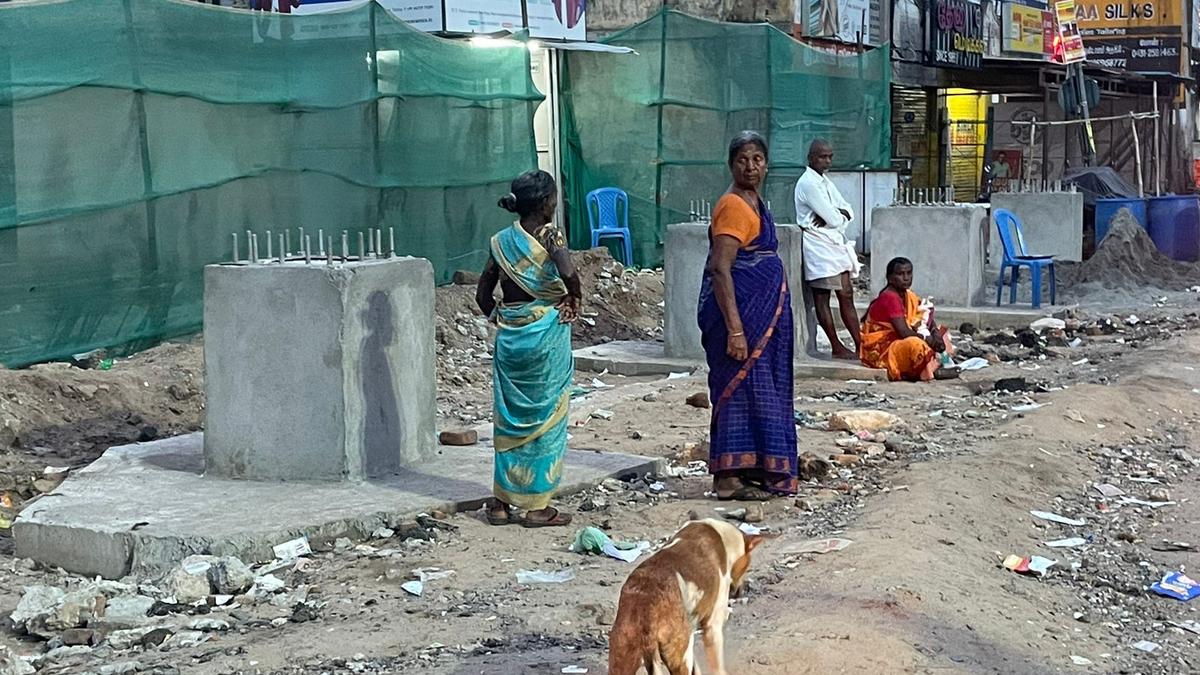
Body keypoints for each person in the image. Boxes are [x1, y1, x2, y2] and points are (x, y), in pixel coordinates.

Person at [475, 170, 582, 527]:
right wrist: (574, 299)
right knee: (546, 419)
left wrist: (501, 319)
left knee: (509, 421)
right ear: (548, 202)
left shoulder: (501, 242)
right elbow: (568, 272)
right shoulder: (550, 235)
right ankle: (537, 506)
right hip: (545, 337)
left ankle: (500, 504)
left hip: (510, 340)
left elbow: (483, 294)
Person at [698, 132, 798, 501]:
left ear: (767, 163)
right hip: (740, 321)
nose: (751, 167)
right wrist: (736, 331)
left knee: (763, 392)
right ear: (731, 164)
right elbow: (721, 269)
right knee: (739, 391)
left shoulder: (754, 201)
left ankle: (754, 468)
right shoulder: (734, 206)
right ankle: (728, 478)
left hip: (764, 320)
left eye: (757, 159)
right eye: (743, 160)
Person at [794, 139, 862, 360]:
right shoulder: (808, 184)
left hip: (834, 244)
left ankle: (861, 343)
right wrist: (838, 215)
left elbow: (848, 211)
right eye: (823, 157)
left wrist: (839, 215)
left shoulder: (825, 182)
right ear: (811, 158)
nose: (827, 161)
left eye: (830, 156)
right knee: (822, 298)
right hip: (818, 246)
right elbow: (834, 218)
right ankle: (836, 345)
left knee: (846, 294)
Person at [859, 257, 956, 382]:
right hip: (883, 350)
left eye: (909, 273)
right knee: (915, 345)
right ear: (890, 278)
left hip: (904, 339)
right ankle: (931, 369)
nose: (906, 278)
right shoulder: (890, 297)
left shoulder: (908, 294)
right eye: (900, 274)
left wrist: (935, 334)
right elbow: (903, 332)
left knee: (943, 335)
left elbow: (924, 315)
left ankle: (935, 363)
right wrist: (928, 340)